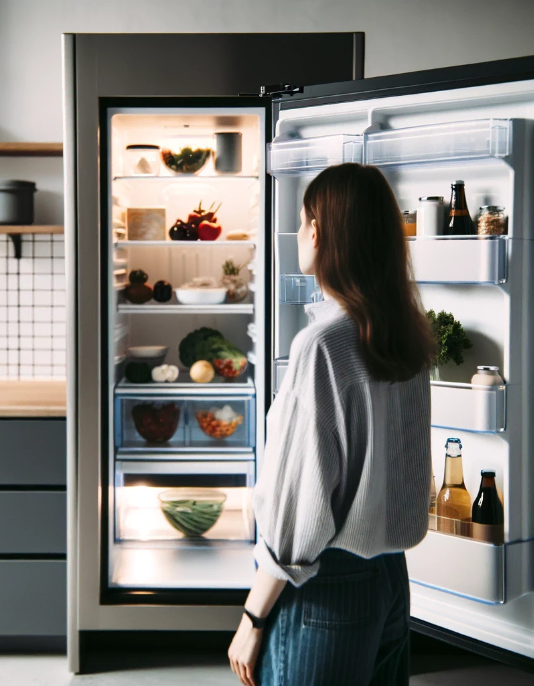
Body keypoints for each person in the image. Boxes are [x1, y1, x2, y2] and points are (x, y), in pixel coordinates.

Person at [228, 163, 436, 686]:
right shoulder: (404, 335)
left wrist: (253, 617)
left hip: (326, 586)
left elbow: (300, 510)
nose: (301, 232)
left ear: (318, 232)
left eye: (303, 222)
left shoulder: (324, 347)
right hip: (390, 578)